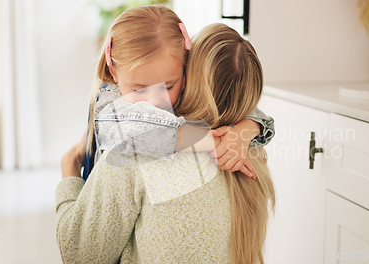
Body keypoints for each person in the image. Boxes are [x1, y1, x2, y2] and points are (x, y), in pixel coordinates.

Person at [56, 5, 274, 264]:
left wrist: (69, 170)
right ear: (113, 72)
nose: (154, 103)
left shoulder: (130, 152)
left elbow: (80, 254)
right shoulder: (245, 149)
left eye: (168, 86)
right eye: (139, 90)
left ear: (188, 70)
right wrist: (241, 131)